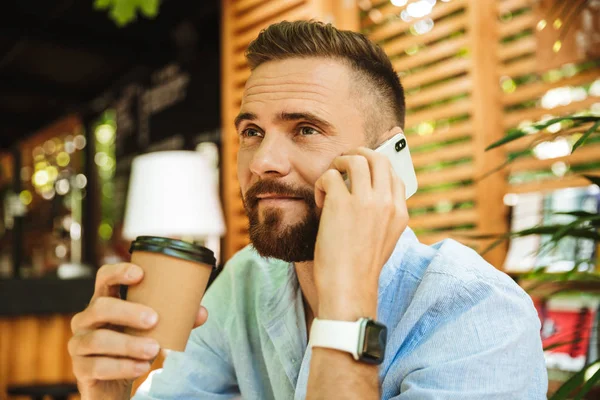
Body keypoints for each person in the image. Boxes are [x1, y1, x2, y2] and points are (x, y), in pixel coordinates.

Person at [68, 21, 547, 399]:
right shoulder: (245, 283)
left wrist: (347, 301)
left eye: (306, 129)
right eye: (252, 132)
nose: (262, 163)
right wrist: (107, 394)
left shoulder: (480, 314)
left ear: (387, 164)